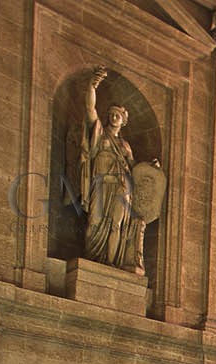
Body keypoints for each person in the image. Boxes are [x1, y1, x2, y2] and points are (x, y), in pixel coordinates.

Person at [80, 68, 144, 272]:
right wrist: (92, 86)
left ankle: (111, 264)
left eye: (119, 115)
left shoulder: (125, 146)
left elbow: (137, 171)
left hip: (122, 188)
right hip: (101, 183)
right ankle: (93, 260)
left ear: (124, 121)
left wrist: (153, 168)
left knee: (116, 225)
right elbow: (90, 110)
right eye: (112, 114)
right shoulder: (99, 132)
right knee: (95, 222)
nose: (115, 117)